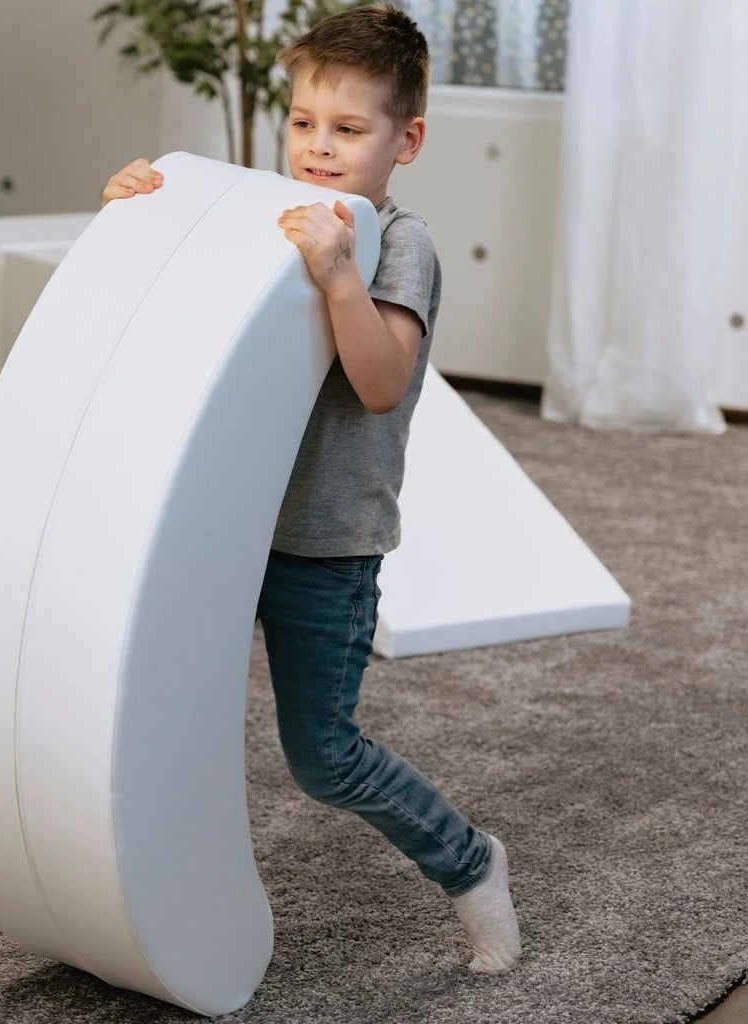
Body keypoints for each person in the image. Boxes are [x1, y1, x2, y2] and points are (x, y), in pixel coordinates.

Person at [101, 2, 521, 974]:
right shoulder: (262, 215)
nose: (317, 148)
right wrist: (138, 212)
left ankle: (469, 861)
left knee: (321, 753)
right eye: (302, 122)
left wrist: (339, 277)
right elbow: (169, 311)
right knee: (151, 704)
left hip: (322, 539)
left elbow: (378, 385)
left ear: (404, 139)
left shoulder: (397, 245)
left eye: (348, 128)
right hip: (217, 517)